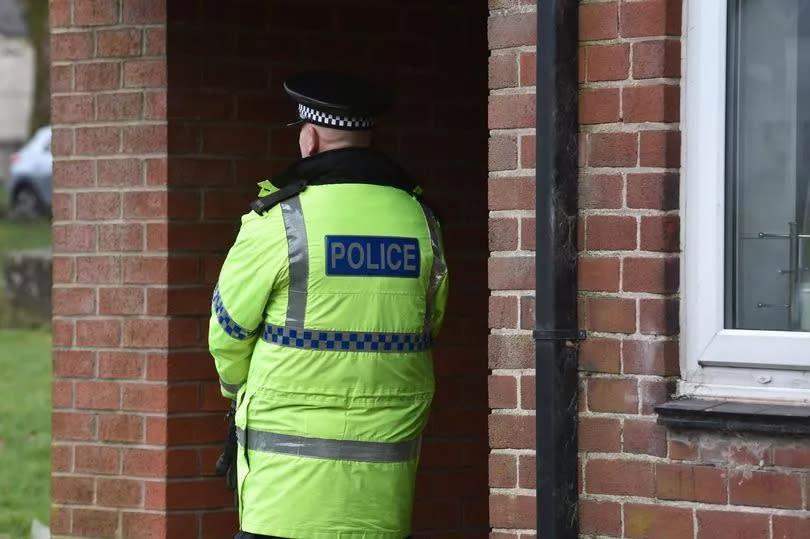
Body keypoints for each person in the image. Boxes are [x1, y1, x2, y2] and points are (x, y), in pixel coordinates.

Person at [208, 71, 449, 539]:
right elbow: (429, 323)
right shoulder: (422, 220)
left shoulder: (280, 219)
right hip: (382, 499)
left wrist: (235, 389)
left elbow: (228, 331)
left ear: (310, 138)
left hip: (283, 497)